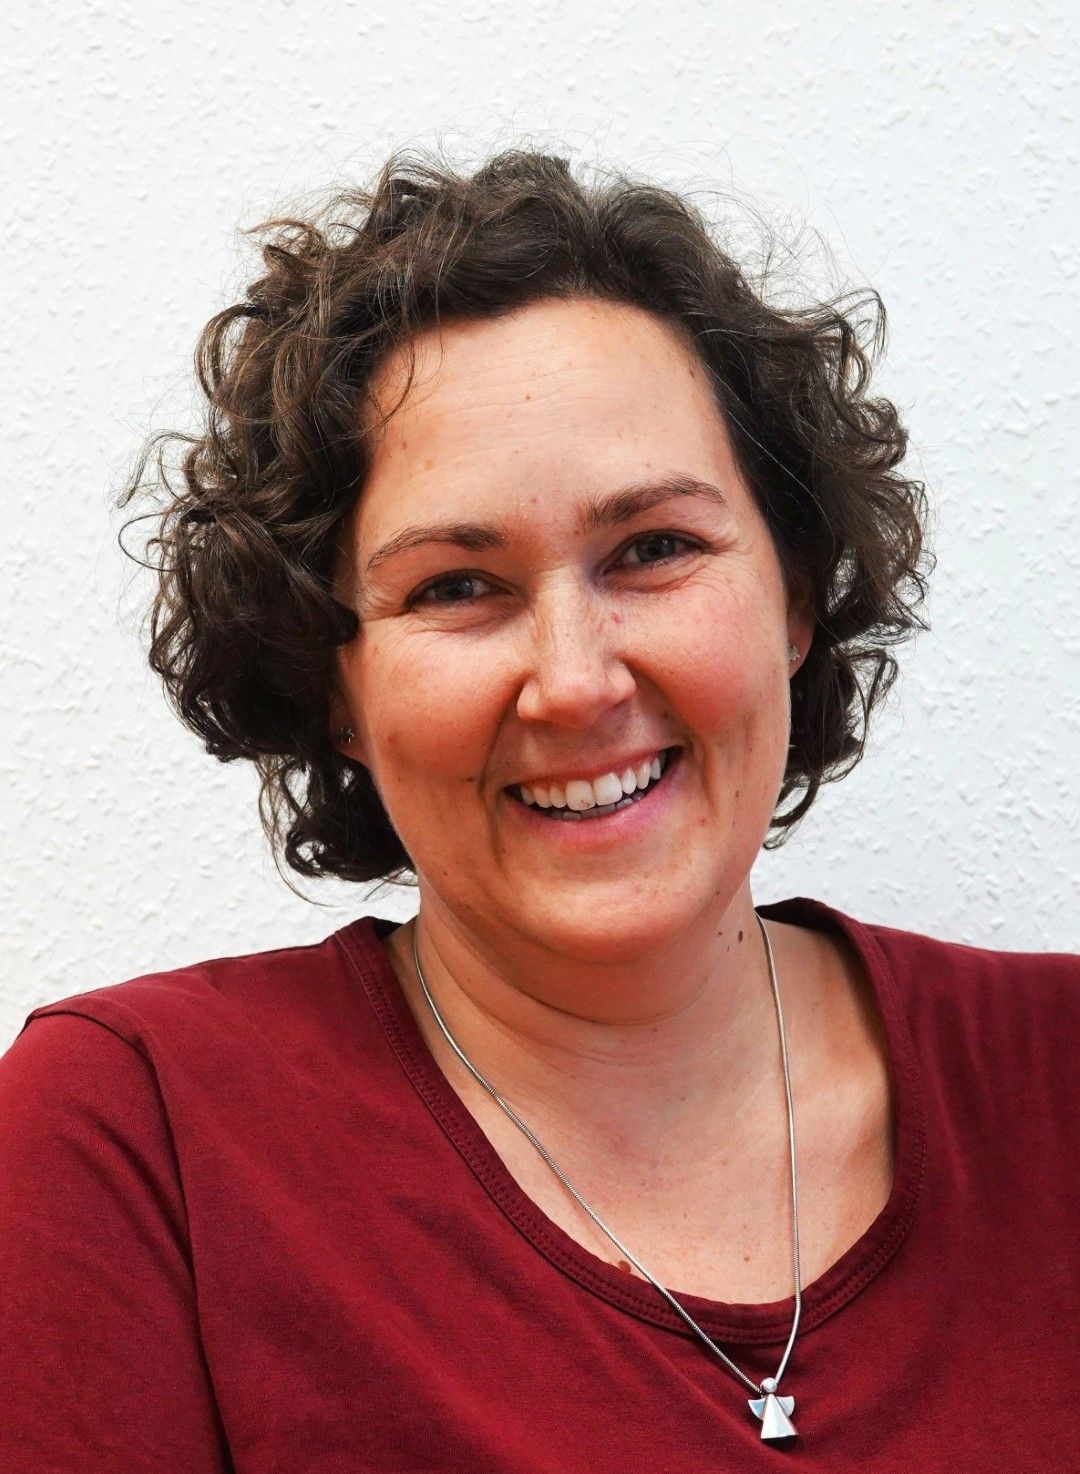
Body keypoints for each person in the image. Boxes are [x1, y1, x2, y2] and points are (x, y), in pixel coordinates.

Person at [1, 147, 1076, 1472]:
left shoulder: (1060, 1080)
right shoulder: (139, 1139)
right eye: (456, 587)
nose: (576, 682)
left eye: (655, 549)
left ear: (796, 596)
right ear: (331, 680)